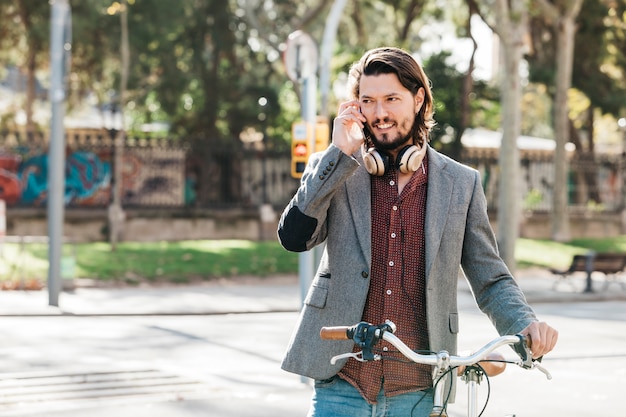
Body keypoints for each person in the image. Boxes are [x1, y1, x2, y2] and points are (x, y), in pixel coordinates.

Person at [277, 46, 558, 417]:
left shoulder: (460, 183)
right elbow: (294, 238)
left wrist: (525, 324)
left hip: (420, 386)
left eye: (391, 99)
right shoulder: (336, 170)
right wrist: (337, 154)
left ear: (418, 98)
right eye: (368, 101)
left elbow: (490, 277)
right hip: (341, 380)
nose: (380, 113)